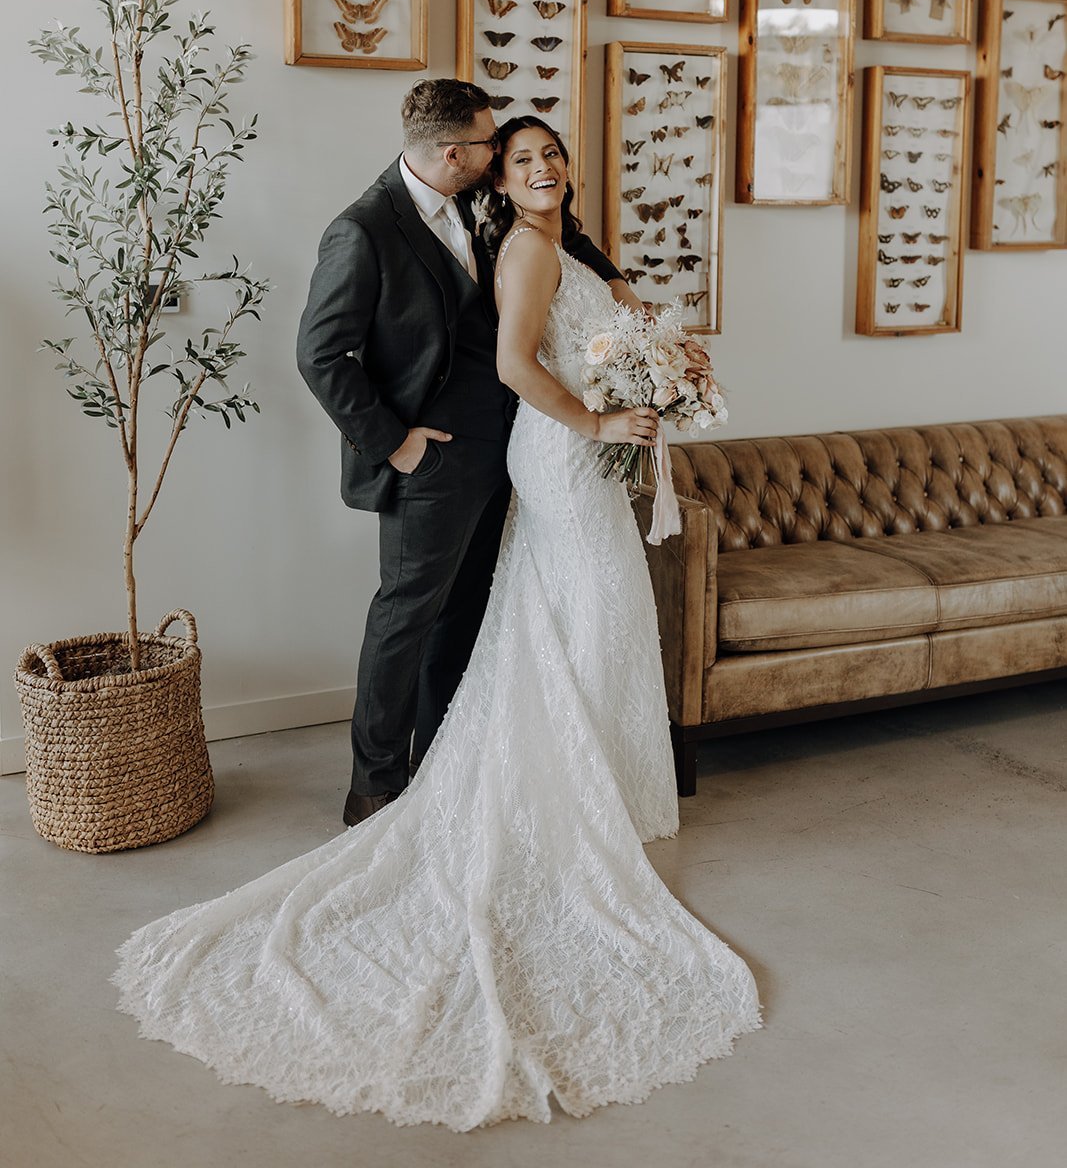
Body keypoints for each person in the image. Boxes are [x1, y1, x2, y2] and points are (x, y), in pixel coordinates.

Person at [113, 114, 762, 1129]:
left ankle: (608, 784)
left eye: (552, 152)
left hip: (568, 456)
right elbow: (507, 364)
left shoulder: (569, 241)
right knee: (575, 605)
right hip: (555, 455)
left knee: (576, 613)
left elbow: (595, 346)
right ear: (492, 175)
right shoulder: (520, 248)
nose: (542, 165)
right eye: (521, 158)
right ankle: (462, 785)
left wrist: (661, 373)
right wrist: (595, 419)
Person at [294, 79, 626, 826]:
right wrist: (395, 444)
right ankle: (373, 786)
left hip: (510, 449)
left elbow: (561, 232)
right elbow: (321, 355)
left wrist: (617, 285)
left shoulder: (478, 202)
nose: (497, 153)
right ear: (458, 153)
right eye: (489, 144)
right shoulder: (364, 229)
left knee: (465, 616)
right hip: (430, 459)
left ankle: (442, 758)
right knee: (406, 615)